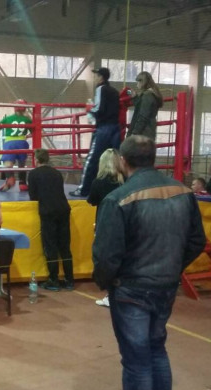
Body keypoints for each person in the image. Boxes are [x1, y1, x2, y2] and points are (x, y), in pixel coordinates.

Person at [92, 135, 205, 390]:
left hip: (131, 289)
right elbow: (197, 240)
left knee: (136, 360)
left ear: (123, 161)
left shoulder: (119, 199)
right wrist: (173, 266)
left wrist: (105, 282)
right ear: (153, 157)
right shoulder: (183, 192)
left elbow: (107, 255)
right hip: (165, 286)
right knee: (156, 351)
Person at [70, 67, 121, 197]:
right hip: (116, 127)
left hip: (104, 128)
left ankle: (83, 189)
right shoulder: (115, 91)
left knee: (92, 159)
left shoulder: (101, 89)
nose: (95, 78)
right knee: (114, 159)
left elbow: (99, 108)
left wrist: (90, 110)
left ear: (101, 77)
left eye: (97, 75)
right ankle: (117, 189)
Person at [28, 149, 74, 291]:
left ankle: (53, 279)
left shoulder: (33, 174)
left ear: (36, 159)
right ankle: (69, 279)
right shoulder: (57, 173)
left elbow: (33, 196)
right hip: (63, 209)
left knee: (50, 245)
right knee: (65, 245)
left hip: (48, 211)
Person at [87, 148, 124, 307]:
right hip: (124, 223)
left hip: (104, 223)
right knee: (123, 259)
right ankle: (121, 293)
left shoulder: (99, 182)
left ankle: (111, 294)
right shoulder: (124, 181)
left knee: (106, 259)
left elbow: (92, 200)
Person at [0, 99, 32, 192]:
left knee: (8, 164)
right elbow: (36, 131)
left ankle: (10, 178)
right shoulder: (27, 120)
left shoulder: (8, 118)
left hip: (10, 143)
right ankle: (22, 183)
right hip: (22, 142)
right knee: (21, 164)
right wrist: (27, 134)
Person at [127, 71, 163, 140]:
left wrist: (135, 133)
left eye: (138, 82)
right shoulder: (151, 94)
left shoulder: (147, 95)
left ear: (142, 82)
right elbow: (143, 108)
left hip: (143, 132)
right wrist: (135, 97)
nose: (137, 84)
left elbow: (143, 116)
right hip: (148, 131)